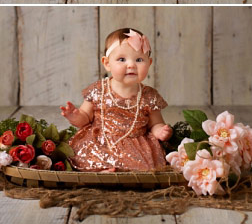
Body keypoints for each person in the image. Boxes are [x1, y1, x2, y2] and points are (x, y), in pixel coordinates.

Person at [60, 28, 172, 171]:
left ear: (149, 63)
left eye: (139, 60)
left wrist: (160, 131)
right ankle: (101, 171)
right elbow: (85, 117)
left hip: (136, 144)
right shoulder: (99, 89)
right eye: (121, 59)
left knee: (143, 165)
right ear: (107, 63)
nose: (131, 65)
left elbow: (155, 123)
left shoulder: (148, 95)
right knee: (87, 156)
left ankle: (123, 174)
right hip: (101, 140)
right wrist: (75, 116)